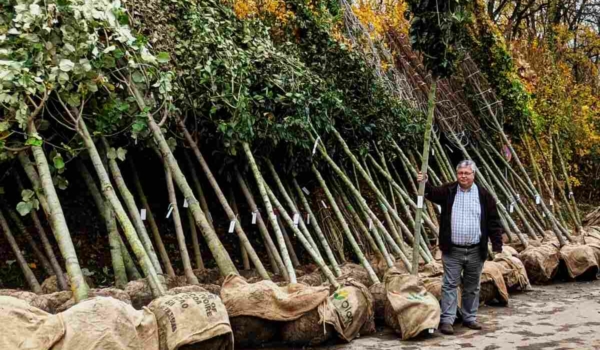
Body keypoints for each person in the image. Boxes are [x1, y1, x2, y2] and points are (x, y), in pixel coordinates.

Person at [417, 160, 503, 335]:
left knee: (472, 285)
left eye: (467, 173)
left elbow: (493, 221)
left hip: (475, 249)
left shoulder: (484, 195)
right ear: (457, 174)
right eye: (460, 173)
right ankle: (447, 320)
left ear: (474, 175)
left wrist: (497, 244)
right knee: (449, 284)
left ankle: (469, 318)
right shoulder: (449, 191)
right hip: (453, 249)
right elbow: (431, 193)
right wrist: (424, 182)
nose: (463, 176)